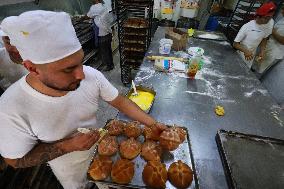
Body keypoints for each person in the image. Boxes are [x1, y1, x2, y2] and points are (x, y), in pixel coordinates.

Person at [0, 10, 166, 189]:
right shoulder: (11, 108)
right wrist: (67, 146)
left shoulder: (91, 75)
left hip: (102, 152)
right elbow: (14, 160)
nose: (81, 74)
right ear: (32, 68)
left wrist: (152, 123)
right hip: (69, 171)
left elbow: (119, 101)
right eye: (68, 69)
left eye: (80, 62)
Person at [233, 2, 276, 69]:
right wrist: (245, 51)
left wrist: (262, 52)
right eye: (266, 18)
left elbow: (265, 38)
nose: (269, 20)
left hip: (251, 56)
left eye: (270, 17)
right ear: (258, 16)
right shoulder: (247, 26)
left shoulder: (270, 23)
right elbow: (235, 44)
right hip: (241, 55)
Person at [254, 4, 284, 76]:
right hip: (268, 47)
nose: (281, 11)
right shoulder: (282, 19)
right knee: (254, 66)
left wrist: (271, 30)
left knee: (258, 72)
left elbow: (283, 41)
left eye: (283, 9)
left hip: (274, 52)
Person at [87, 0, 114, 71]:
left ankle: (108, 66)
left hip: (102, 34)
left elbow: (88, 16)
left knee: (104, 51)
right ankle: (111, 64)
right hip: (108, 32)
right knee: (108, 50)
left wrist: (80, 18)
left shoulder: (94, 7)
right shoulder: (104, 6)